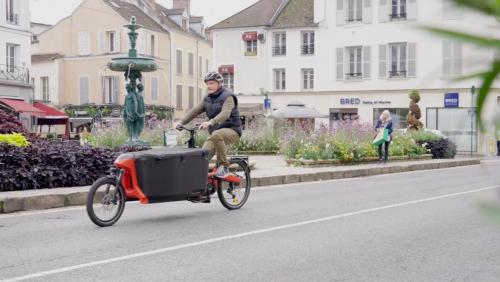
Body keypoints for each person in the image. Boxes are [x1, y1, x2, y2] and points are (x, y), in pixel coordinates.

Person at [176, 71, 242, 178]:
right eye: (207, 83)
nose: (209, 86)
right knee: (203, 156)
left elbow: (225, 113)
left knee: (216, 134)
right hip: (215, 134)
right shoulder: (207, 98)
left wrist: (211, 122)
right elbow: (195, 111)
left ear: (219, 83)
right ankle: (205, 186)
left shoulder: (228, 96)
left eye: (211, 83)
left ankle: (224, 166)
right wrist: (181, 122)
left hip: (232, 130)